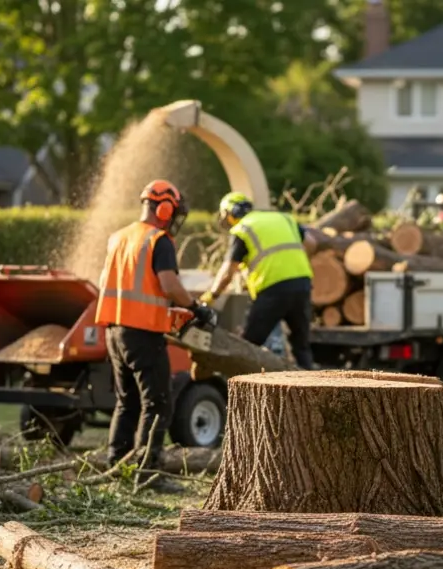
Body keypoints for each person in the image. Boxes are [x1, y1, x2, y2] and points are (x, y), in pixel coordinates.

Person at [95, 179, 215, 489]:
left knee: (127, 402)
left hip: (115, 331)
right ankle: (147, 474)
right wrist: (197, 308)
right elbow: (169, 285)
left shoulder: (119, 237)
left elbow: (135, 287)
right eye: (173, 211)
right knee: (159, 403)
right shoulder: (157, 240)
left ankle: (117, 467)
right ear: (164, 208)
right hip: (143, 334)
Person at [200, 192, 317, 369]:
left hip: (273, 289)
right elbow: (312, 243)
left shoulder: (243, 229)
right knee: (301, 346)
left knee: (250, 343)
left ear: (231, 213)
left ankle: (240, 388)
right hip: (302, 283)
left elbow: (227, 272)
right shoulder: (282, 218)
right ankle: (312, 388)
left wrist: (211, 296)